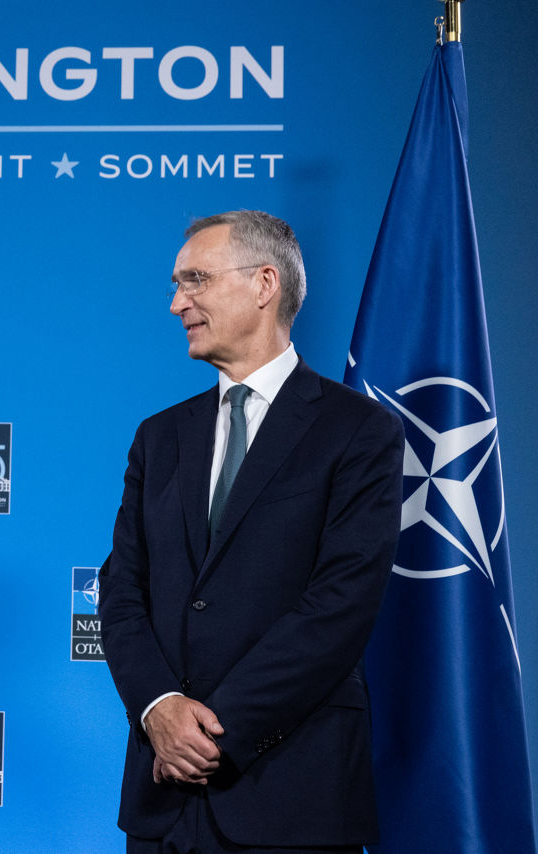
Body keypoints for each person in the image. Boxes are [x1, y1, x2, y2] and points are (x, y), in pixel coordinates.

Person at [98, 211, 404, 853]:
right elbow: (122, 588)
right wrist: (158, 708)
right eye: (177, 285)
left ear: (265, 283)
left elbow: (340, 605)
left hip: (292, 793)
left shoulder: (358, 430)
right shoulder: (160, 438)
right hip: (164, 801)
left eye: (196, 280)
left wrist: (214, 733)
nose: (178, 302)